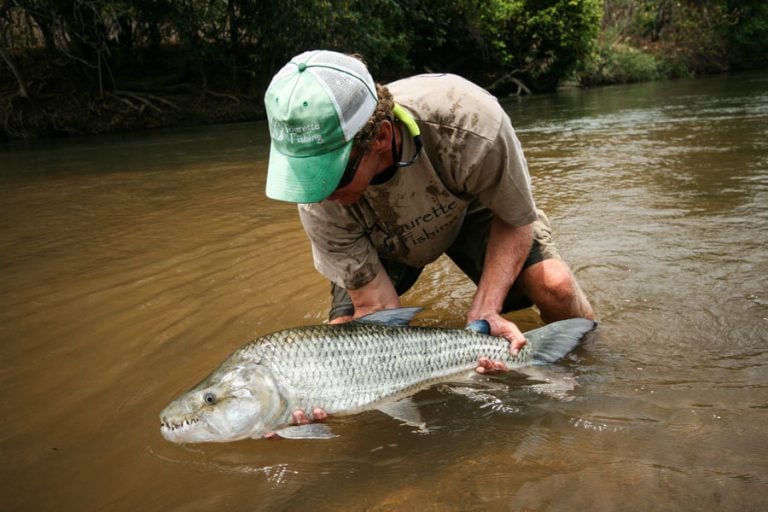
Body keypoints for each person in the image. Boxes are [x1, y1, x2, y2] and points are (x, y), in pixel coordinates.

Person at [264, 49, 595, 383]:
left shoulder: (468, 122)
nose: (320, 193)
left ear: (380, 136)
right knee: (344, 341)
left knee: (556, 286)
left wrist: (487, 310)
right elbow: (377, 311)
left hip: (468, 203)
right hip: (377, 234)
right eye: (307, 176)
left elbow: (514, 218)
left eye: (331, 174)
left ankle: (589, 362)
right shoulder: (316, 199)